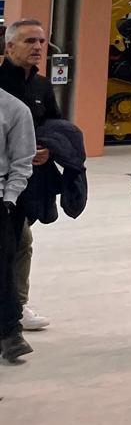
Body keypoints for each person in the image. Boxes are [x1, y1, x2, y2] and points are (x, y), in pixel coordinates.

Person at [0, 18, 60, 334]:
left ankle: (17, 306)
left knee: (21, 243)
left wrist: (48, 149)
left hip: (28, 181)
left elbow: (54, 125)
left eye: (41, 41)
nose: (37, 47)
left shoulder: (42, 86)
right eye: (29, 41)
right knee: (18, 242)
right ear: (9, 47)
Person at [0, 86, 35, 363]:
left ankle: (11, 334)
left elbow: (22, 161)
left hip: (1, 200)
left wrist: (10, 198)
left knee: (3, 272)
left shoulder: (14, 109)